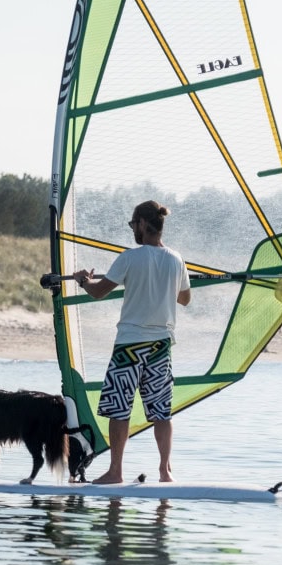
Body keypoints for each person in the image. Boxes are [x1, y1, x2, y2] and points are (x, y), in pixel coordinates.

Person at [73, 200, 191, 484]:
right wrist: (164, 284)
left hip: (129, 347)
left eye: (132, 225)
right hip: (160, 348)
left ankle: (115, 472)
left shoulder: (130, 257)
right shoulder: (176, 259)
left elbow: (99, 292)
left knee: (119, 410)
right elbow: (185, 299)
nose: (132, 230)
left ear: (142, 224)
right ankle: (165, 471)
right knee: (162, 412)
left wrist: (83, 280)